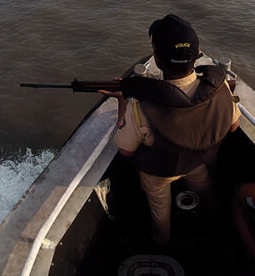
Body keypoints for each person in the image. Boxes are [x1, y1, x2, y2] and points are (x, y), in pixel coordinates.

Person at [101, 14, 241, 244]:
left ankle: (162, 242)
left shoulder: (140, 106)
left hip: (159, 173)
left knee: (160, 211)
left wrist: (122, 102)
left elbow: (125, 152)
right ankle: (219, 229)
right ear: (197, 55)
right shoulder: (220, 88)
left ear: (156, 59)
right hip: (197, 162)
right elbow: (233, 126)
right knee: (206, 191)